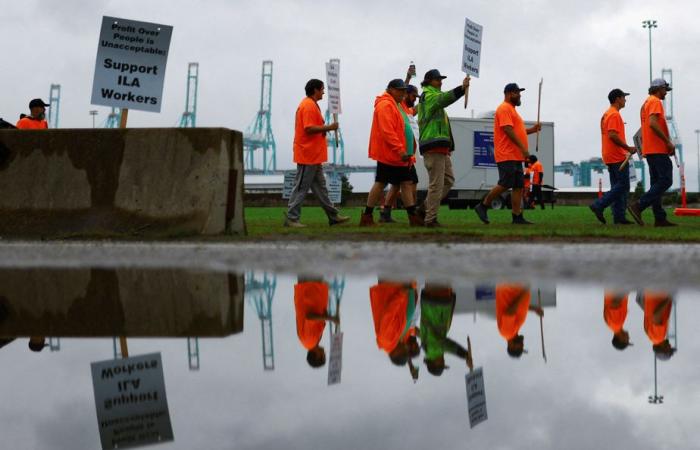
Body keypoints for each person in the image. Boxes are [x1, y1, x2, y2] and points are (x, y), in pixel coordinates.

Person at [285, 79, 350, 228]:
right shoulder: (308, 106)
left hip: (314, 156)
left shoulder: (311, 104)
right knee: (301, 187)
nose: (324, 92)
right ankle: (291, 218)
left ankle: (333, 216)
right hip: (307, 155)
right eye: (322, 89)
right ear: (315, 90)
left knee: (321, 189)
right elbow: (308, 129)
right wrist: (330, 127)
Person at [475, 84, 541, 225]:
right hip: (507, 154)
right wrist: (524, 149)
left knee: (518, 186)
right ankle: (483, 205)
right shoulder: (504, 108)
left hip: (515, 156)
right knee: (506, 183)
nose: (520, 95)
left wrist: (533, 130)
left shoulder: (513, 111)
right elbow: (508, 130)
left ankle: (517, 216)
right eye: (517, 93)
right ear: (510, 94)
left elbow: (518, 131)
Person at [360, 79, 423, 226]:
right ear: (391, 90)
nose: (404, 94)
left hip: (399, 155)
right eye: (401, 91)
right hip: (391, 154)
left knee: (405, 183)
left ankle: (412, 217)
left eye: (404, 91)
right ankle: (368, 216)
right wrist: (400, 150)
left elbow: (408, 117)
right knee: (381, 183)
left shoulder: (396, 104)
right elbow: (387, 131)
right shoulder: (385, 105)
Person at [418, 69, 470, 227]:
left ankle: (425, 209)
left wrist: (450, 146)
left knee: (448, 180)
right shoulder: (429, 95)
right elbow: (444, 98)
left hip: (440, 148)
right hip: (433, 147)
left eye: (441, 79)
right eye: (437, 79)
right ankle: (430, 219)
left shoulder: (431, 98)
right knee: (437, 184)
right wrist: (461, 89)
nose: (440, 82)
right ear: (428, 81)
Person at [628, 79, 676, 227]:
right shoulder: (655, 102)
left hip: (649, 150)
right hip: (657, 149)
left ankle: (659, 218)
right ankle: (639, 205)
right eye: (665, 90)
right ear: (658, 89)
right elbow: (653, 123)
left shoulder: (645, 104)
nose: (666, 93)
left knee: (656, 183)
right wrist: (667, 142)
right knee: (666, 180)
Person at [589, 89, 637, 225]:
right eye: (624, 97)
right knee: (623, 185)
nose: (625, 100)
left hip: (609, 155)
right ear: (617, 99)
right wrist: (628, 148)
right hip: (617, 156)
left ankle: (619, 217)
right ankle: (599, 205)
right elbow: (612, 135)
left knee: (618, 186)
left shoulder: (606, 114)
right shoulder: (614, 115)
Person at [380, 82, 421, 223]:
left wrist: (423, 103)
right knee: (409, 183)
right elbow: (401, 88)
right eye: (413, 96)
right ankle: (412, 212)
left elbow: (414, 111)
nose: (414, 99)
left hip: (407, 154)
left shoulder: (407, 110)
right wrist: (408, 77)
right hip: (401, 153)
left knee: (398, 184)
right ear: (405, 95)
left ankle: (385, 212)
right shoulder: (399, 104)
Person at [420, 282, 472, 376]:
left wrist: (464, 355)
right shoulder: (427, 345)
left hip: (437, 301)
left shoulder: (432, 350)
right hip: (434, 300)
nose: (443, 361)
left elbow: (447, 346)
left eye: (441, 364)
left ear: (434, 363)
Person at [369, 279, 419, 366]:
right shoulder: (396, 341)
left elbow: (389, 313)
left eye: (404, 352)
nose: (406, 348)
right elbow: (405, 323)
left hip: (391, 285)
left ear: (396, 354)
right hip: (398, 285)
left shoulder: (387, 339)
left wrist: (403, 293)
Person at [495, 283, 542, 358]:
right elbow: (517, 307)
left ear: (511, 347)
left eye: (520, 347)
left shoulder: (507, 333)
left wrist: (524, 292)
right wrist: (534, 309)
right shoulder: (513, 332)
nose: (522, 344)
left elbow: (510, 312)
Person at [641, 291, 676, 360]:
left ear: (663, 349)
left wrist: (669, 299)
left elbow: (656, 316)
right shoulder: (650, 336)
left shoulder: (659, 337)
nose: (670, 346)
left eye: (669, 349)